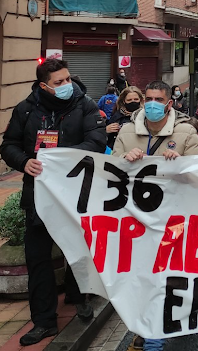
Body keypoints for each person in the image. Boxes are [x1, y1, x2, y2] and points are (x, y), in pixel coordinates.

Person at [0, 58, 106, 346]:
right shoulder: (25, 109)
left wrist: (59, 159)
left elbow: (96, 142)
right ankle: (44, 321)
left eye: (68, 79)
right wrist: (25, 162)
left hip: (77, 195)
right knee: (38, 260)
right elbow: (8, 146)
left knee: (79, 251)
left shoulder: (86, 105)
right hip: (38, 196)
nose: (66, 86)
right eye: (59, 83)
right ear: (44, 86)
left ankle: (78, 296)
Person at [112, 80, 198, 351]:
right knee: (142, 277)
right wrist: (125, 158)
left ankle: (154, 336)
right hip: (137, 220)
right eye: (148, 99)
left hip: (175, 220)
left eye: (158, 100)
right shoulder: (127, 132)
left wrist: (182, 162)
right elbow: (112, 171)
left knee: (168, 276)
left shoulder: (186, 132)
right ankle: (147, 330)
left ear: (169, 103)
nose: (152, 104)